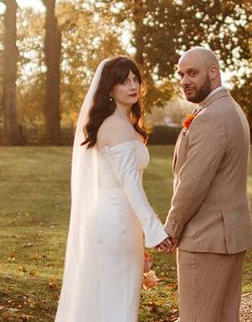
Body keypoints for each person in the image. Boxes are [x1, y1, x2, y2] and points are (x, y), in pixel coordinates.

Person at [55, 56, 172, 322]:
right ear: (110, 88)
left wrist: (140, 236)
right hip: (116, 220)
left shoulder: (124, 124)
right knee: (118, 298)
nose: (132, 86)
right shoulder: (115, 126)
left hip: (121, 220)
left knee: (115, 295)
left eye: (134, 79)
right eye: (123, 81)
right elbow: (130, 184)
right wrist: (154, 230)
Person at [164, 47, 252, 322]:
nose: (184, 80)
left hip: (207, 238)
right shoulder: (231, 109)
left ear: (213, 72)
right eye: (181, 74)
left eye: (192, 73)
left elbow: (193, 184)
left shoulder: (211, 117)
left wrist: (172, 227)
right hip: (229, 236)